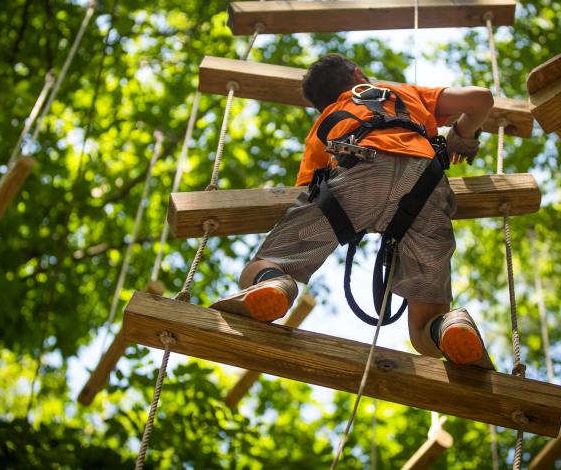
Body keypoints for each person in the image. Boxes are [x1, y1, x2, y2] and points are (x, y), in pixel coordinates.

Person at [211, 54, 494, 368]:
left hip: (357, 169)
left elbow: (310, 188)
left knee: (263, 265)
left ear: (323, 103)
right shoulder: (405, 93)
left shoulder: (328, 120)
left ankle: (273, 282)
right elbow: (481, 100)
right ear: (359, 74)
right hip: (424, 184)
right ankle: (450, 326)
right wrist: (461, 136)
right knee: (423, 329)